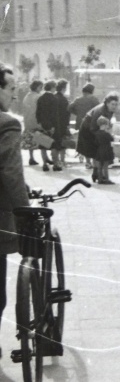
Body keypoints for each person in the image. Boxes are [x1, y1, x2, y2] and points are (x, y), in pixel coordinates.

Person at [0, 63, 26, 341]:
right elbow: (10, 173)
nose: (13, 95)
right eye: (10, 89)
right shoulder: (6, 123)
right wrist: (25, 210)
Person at [77, 93, 119, 183]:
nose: (114, 106)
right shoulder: (100, 111)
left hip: (95, 130)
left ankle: (96, 174)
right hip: (88, 130)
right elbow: (93, 127)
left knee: (97, 153)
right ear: (107, 103)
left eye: (116, 104)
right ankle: (100, 176)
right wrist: (103, 136)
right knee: (97, 152)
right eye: (112, 104)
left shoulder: (108, 109)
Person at [67, 83, 100, 168]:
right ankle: (92, 161)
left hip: (80, 123)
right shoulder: (94, 99)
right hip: (92, 123)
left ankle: (87, 161)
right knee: (92, 142)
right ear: (91, 91)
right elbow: (99, 110)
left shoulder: (78, 99)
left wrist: (77, 113)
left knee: (84, 142)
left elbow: (69, 108)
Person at [21, 79, 51, 167]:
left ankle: (31, 158)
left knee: (30, 140)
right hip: (37, 121)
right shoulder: (39, 96)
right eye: (40, 87)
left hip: (28, 121)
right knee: (42, 139)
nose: (41, 89)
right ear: (37, 87)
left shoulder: (27, 96)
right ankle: (45, 158)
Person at [35, 80, 59, 171]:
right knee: (54, 145)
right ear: (52, 88)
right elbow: (54, 114)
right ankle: (55, 165)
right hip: (52, 125)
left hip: (43, 125)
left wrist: (40, 123)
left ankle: (44, 164)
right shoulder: (54, 99)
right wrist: (53, 126)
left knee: (43, 145)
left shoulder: (40, 98)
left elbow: (37, 113)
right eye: (55, 87)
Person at [51, 79, 71, 170]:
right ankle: (62, 161)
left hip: (53, 124)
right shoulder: (64, 99)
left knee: (54, 144)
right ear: (64, 88)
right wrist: (67, 125)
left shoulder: (53, 97)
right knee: (62, 143)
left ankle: (56, 161)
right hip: (62, 124)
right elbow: (67, 113)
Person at [93, 116, 115, 184]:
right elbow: (112, 139)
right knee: (105, 166)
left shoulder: (96, 133)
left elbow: (95, 142)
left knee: (100, 166)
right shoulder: (106, 134)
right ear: (105, 125)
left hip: (99, 150)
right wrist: (110, 133)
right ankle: (107, 179)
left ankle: (100, 179)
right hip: (106, 150)